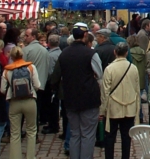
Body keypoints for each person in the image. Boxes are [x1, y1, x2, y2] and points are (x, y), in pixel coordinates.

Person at [51, 25, 103, 159]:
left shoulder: (64, 54)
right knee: (87, 134)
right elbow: (99, 73)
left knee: (75, 133)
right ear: (85, 35)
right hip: (89, 99)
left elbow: (56, 75)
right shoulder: (91, 53)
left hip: (70, 97)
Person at [100, 42, 140, 159]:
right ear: (126, 53)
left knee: (110, 137)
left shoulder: (109, 69)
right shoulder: (133, 68)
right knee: (126, 137)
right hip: (130, 107)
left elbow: (105, 92)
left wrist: (102, 110)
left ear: (115, 52)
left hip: (113, 107)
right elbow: (137, 90)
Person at [1, 46, 41, 159]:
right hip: (30, 100)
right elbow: (37, 85)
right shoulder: (31, 67)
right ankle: (30, 156)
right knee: (32, 130)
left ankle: (15, 156)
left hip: (14, 102)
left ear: (12, 57)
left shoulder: (7, 70)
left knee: (15, 132)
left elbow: (3, 89)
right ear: (22, 55)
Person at [22, 28, 50, 127]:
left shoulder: (26, 50)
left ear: (33, 37)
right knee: (36, 109)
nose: (25, 38)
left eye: (27, 35)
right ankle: (35, 131)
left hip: (28, 85)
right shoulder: (45, 51)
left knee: (25, 110)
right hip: (41, 84)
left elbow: (21, 68)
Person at [42, 34, 62, 135]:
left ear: (49, 43)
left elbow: (50, 72)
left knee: (52, 105)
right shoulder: (61, 53)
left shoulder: (50, 55)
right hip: (60, 82)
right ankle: (55, 124)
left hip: (52, 83)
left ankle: (53, 125)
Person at [126, 35, 146, 121]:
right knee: (139, 98)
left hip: (131, 77)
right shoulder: (143, 52)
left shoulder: (129, 53)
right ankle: (140, 116)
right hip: (141, 77)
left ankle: (133, 116)